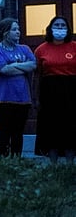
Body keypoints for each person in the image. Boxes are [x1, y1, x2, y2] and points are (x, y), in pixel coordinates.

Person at [0, 18, 36, 157]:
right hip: (2, 99)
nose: (18, 32)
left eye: (18, 29)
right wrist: (22, 66)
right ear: (5, 32)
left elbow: (33, 65)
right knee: (5, 131)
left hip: (22, 98)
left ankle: (17, 161)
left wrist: (12, 65)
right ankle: (4, 162)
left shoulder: (24, 49)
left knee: (18, 132)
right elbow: (3, 70)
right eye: (14, 29)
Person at [33, 16, 76, 164]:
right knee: (51, 129)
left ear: (68, 28)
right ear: (50, 28)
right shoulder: (41, 49)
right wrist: (36, 97)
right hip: (49, 93)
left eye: (62, 25)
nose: (59, 27)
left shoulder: (74, 47)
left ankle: (70, 165)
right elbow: (37, 75)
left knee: (70, 129)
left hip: (71, 93)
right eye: (56, 25)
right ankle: (53, 166)